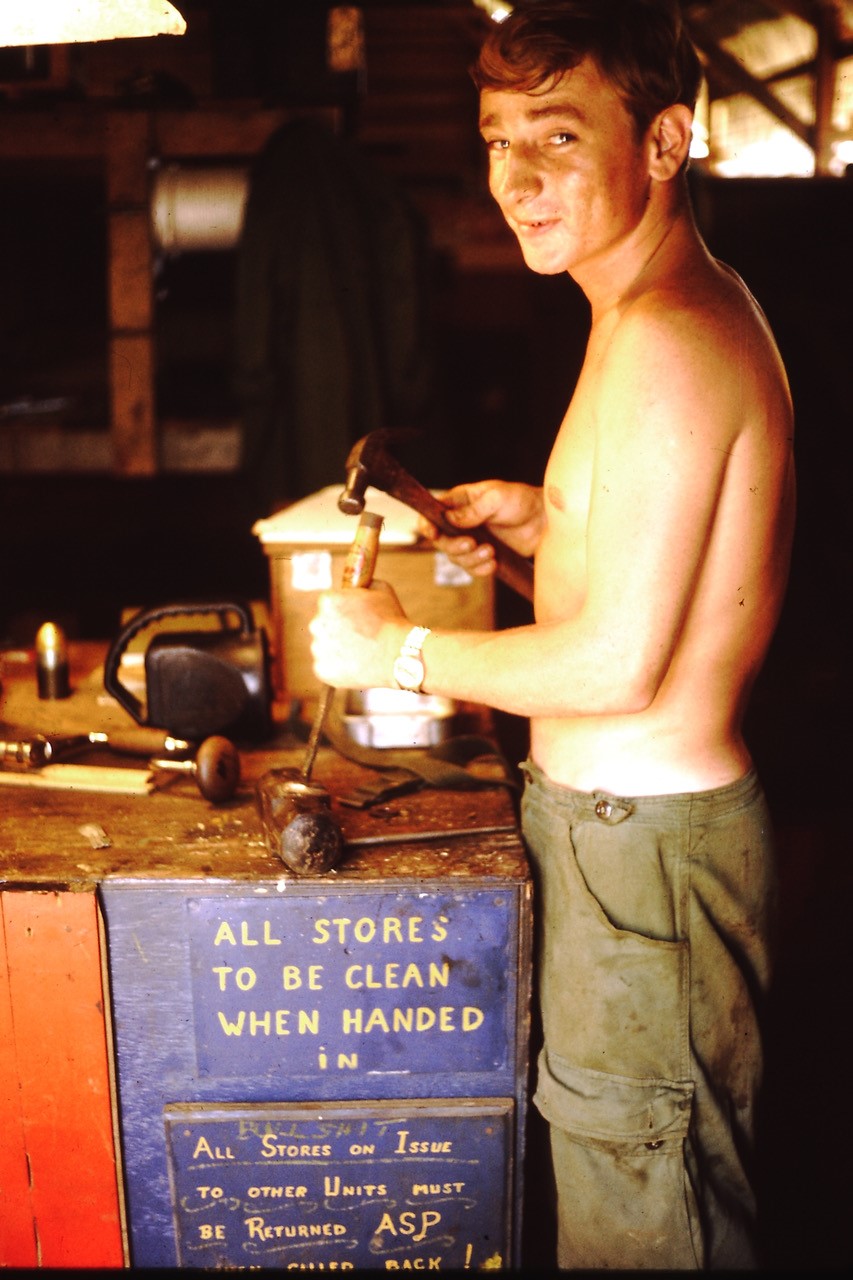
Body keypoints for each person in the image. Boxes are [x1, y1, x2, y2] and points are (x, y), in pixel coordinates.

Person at [309, 0, 796, 1268]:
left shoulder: (665, 344)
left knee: (653, 1216)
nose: (513, 178)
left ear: (664, 141)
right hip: (631, 846)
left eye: (557, 138)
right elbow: (662, 610)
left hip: (645, 859)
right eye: (493, 138)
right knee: (630, 1183)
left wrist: (397, 650)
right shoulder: (652, 312)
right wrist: (550, 536)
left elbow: (618, 668)